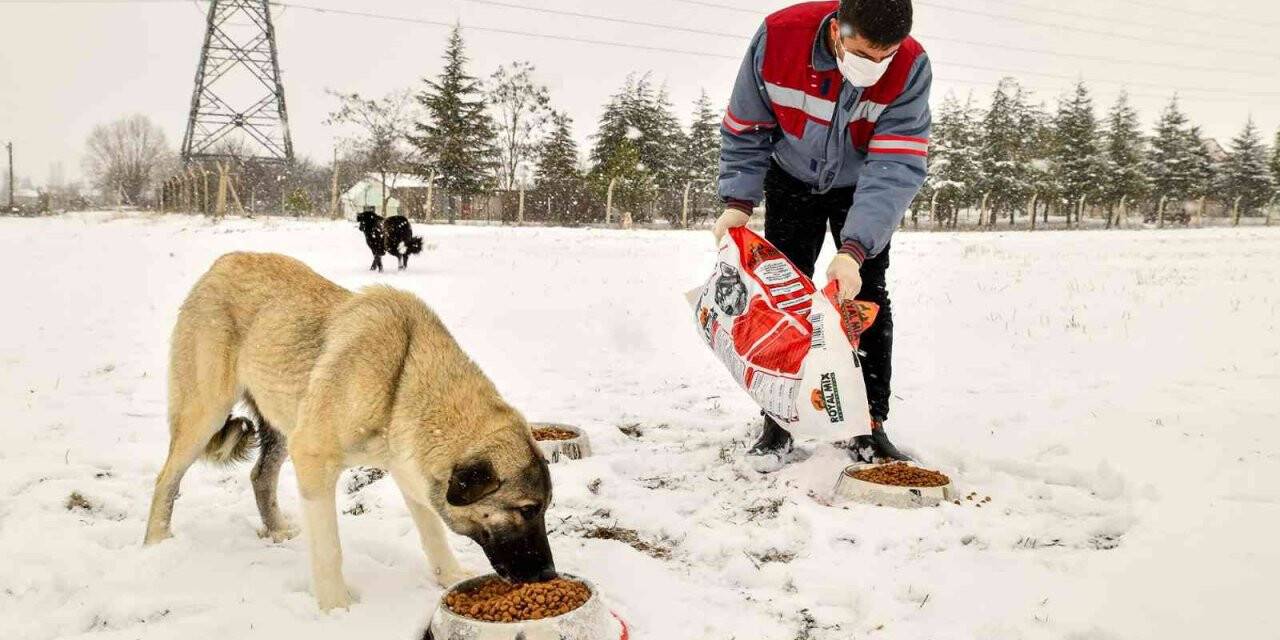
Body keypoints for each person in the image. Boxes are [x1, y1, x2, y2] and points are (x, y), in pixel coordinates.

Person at [714, 0, 930, 472]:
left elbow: (896, 163)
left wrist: (854, 250)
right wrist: (738, 203)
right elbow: (747, 127)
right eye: (862, 53)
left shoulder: (911, 66)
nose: (873, 67)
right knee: (781, 296)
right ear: (837, 29)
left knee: (866, 294)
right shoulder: (778, 38)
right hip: (791, 175)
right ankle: (779, 419)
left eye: (884, 56)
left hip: (861, 184)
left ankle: (868, 426)